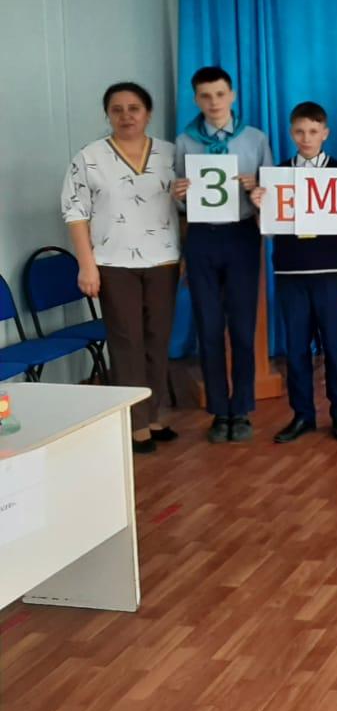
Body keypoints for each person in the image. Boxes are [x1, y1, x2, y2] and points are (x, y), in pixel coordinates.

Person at [62, 82, 180, 454]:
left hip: (163, 260)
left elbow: (185, 208)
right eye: (117, 109)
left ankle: (154, 415)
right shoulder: (90, 157)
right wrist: (87, 266)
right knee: (127, 342)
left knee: (158, 339)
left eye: (134, 108)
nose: (126, 116)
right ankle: (135, 423)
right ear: (107, 114)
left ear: (148, 113)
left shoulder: (170, 154)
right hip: (113, 263)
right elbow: (75, 213)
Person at [172, 66, 274, 444]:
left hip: (242, 235)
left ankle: (241, 407)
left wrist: (257, 189)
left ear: (232, 95)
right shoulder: (185, 141)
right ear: (196, 99)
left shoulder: (255, 139)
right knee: (209, 326)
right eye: (205, 96)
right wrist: (179, 196)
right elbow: (181, 201)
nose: (213, 102)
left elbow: (271, 196)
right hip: (202, 237)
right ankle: (219, 410)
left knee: (243, 328)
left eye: (219, 94)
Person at [251, 102, 337, 444]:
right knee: (296, 347)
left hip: (329, 269)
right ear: (290, 133)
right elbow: (269, 231)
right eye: (299, 131)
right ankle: (302, 414)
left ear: (325, 133)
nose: (306, 138)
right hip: (291, 269)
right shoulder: (277, 174)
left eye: (313, 131)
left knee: (335, 345)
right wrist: (260, 207)